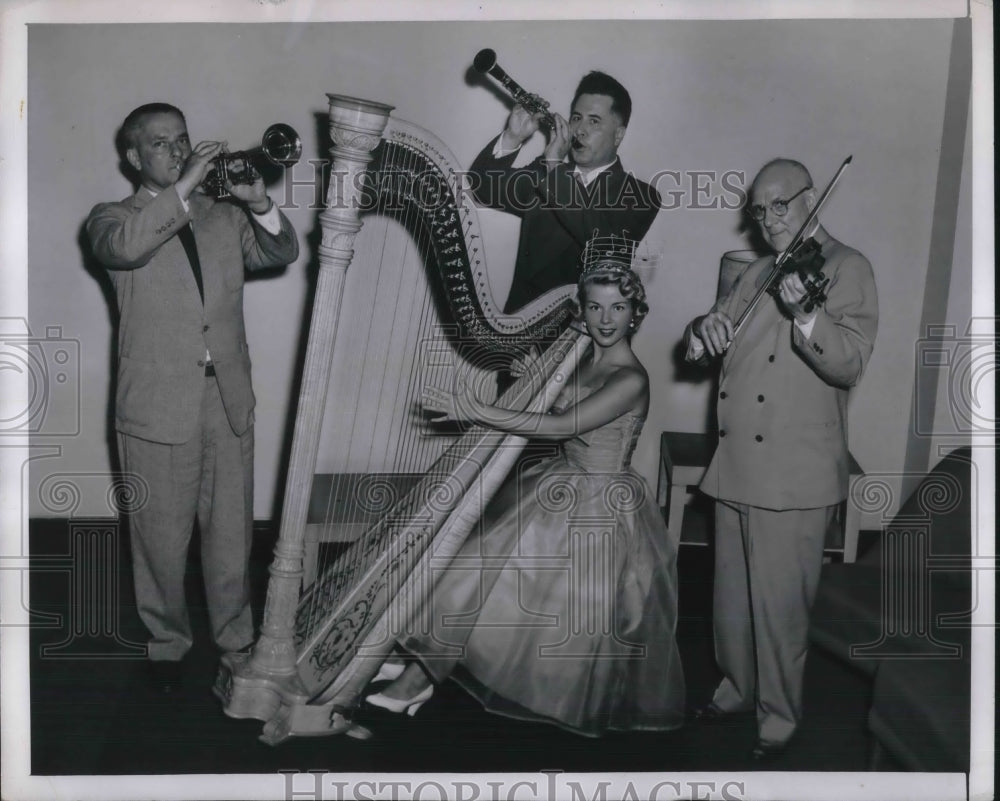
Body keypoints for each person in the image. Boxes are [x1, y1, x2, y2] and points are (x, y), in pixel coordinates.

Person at [364, 242, 685, 737]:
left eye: (617, 308)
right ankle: (425, 668)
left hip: (598, 503)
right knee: (475, 566)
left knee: (508, 590)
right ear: (581, 309)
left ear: (636, 314)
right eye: (595, 306)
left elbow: (562, 426)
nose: (605, 318)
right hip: (560, 481)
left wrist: (478, 411)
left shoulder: (631, 379)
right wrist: (536, 376)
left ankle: (424, 674)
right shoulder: (589, 359)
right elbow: (564, 405)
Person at [86, 103, 299, 693]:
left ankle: (236, 642)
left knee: (232, 535)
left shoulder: (221, 214)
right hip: (156, 405)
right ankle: (167, 642)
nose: (179, 151)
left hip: (226, 398)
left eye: (182, 140)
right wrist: (183, 187)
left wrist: (258, 202)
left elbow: (281, 254)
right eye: (162, 144)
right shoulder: (111, 218)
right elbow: (126, 249)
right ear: (133, 156)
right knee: (158, 536)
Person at [683, 158, 878, 761]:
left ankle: (779, 717)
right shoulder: (760, 271)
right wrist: (701, 330)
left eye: (780, 206)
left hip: (794, 470)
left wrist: (807, 315)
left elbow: (849, 361)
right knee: (731, 602)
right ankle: (738, 689)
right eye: (759, 210)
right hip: (739, 457)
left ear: (811, 199)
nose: (768, 220)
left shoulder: (848, 267)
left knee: (780, 609)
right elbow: (713, 335)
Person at [469, 70, 661, 314]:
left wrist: (555, 167)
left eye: (594, 121)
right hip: (521, 329)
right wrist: (512, 136)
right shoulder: (546, 173)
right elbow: (482, 187)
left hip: (583, 341)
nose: (579, 130)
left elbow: (598, 239)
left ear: (619, 135)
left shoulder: (642, 196)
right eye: (576, 118)